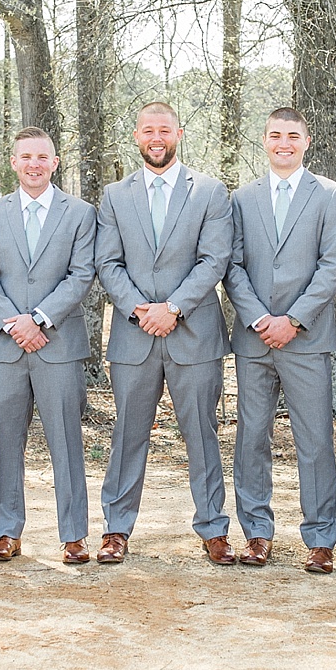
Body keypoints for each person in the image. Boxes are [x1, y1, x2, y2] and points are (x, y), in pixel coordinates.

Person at [95, 101, 234, 565]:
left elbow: (214, 260)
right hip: (134, 336)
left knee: (202, 431)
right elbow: (108, 263)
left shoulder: (211, 192)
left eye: (165, 130)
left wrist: (172, 308)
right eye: (148, 130)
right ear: (136, 136)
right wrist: (141, 309)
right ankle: (116, 528)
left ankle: (213, 528)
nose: (157, 138)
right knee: (128, 433)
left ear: (179, 133)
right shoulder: (114, 196)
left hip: (193, 334)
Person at [223, 107, 336, 573]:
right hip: (255, 339)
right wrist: (259, 318)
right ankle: (257, 533)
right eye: (275, 135)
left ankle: (320, 538)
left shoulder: (331, 196)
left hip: (307, 338)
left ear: (307, 140)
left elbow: (333, 265)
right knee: (251, 437)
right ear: (264, 140)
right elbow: (231, 265)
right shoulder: (241, 198)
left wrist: (293, 319)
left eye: (292, 135)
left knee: (314, 439)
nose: (284, 143)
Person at [0, 127, 99, 564]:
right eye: (25, 157)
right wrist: (16, 324)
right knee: (6, 440)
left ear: (55, 162)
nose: (34, 164)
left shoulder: (80, 213)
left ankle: (74, 535)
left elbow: (82, 274)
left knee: (66, 439)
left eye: (42, 157)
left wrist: (40, 319)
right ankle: (6, 532)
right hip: (6, 347)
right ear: (13, 162)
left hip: (57, 343)